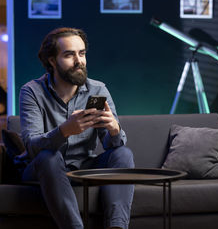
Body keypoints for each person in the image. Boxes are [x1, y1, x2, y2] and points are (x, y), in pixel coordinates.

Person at [19, 27, 135, 229]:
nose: (79, 61)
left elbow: (111, 145)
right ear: (52, 61)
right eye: (69, 55)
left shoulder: (97, 90)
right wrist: (64, 130)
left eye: (81, 54)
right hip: (45, 168)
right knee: (49, 156)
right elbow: (32, 146)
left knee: (123, 153)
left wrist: (114, 130)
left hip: (84, 167)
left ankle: (117, 227)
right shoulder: (31, 92)